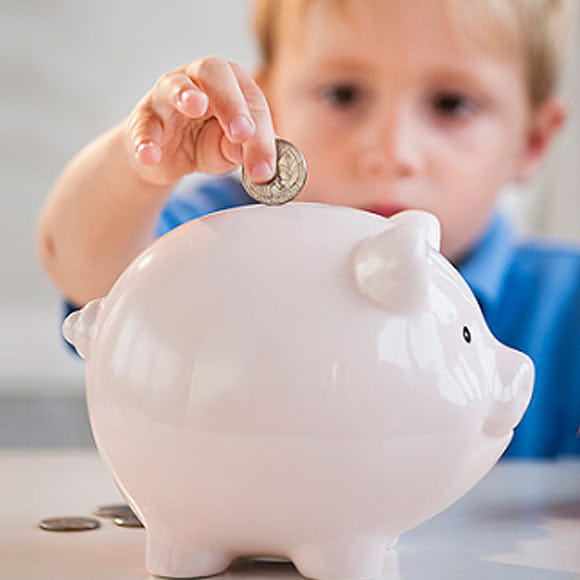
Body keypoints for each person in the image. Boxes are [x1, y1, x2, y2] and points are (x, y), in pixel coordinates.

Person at [37, 0, 579, 458]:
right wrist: (141, 167)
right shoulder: (220, 237)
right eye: (343, 94)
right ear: (268, 102)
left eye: (452, 104)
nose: (390, 152)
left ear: (530, 141)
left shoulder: (565, 305)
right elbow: (81, 263)